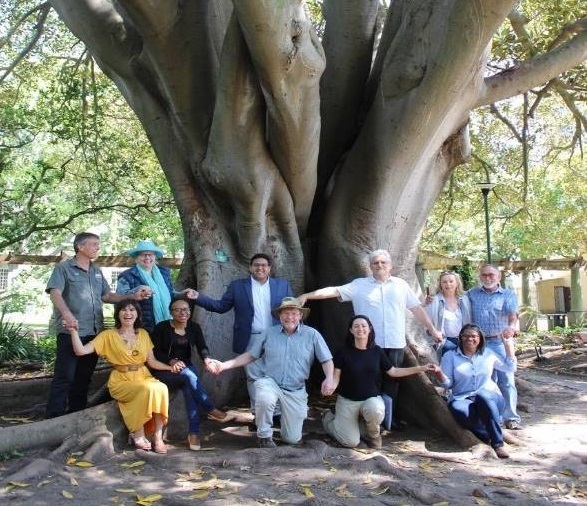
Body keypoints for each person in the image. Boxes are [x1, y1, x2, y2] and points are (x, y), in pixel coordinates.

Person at [297, 249, 442, 423]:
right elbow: (334, 291)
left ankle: (387, 421)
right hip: (369, 345)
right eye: (376, 263)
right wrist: (308, 295)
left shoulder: (401, 285)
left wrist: (432, 330)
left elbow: (416, 309)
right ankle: (367, 419)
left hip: (394, 342)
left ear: (390, 265)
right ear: (370, 266)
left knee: (392, 382)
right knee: (369, 380)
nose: (380, 265)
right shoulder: (359, 285)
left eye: (383, 262)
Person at [207, 297, 335, 448]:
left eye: (294, 313)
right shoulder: (269, 333)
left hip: (296, 389)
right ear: (280, 316)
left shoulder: (312, 334)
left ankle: (314, 421)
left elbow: (326, 360)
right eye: (286, 313)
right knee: (264, 396)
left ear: (300, 316)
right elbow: (250, 355)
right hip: (270, 382)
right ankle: (264, 435)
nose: (290, 317)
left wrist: (329, 378)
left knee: (292, 439)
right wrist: (223, 366)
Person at [45, 232, 148, 419]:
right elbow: (55, 293)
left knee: (84, 378)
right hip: (71, 332)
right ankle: (53, 418)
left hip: (94, 333)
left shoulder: (97, 271)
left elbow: (107, 296)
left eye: (98, 245)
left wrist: (131, 296)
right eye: (93, 244)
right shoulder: (64, 268)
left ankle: (76, 415)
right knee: (64, 377)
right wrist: (66, 314)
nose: (97, 248)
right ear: (80, 247)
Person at [193, 253, 293, 415]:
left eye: (263, 265)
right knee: (254, 378)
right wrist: (198, 297)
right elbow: (221, 306)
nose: (260, 268)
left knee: (277, 375)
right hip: (250, 338)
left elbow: (291, 313)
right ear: (250, 268)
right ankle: (258, 414)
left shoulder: (282, 286)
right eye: (256, 265)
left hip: (277, 336)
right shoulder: (238, 286)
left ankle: (277, 413)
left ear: (269, 268)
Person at [68, 299, 173, 453]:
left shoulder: (143, 334)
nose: (128, 313)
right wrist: (73, 331)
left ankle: (158, 438)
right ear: (118, 314)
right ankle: (138, 432)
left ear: (137, 314)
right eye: (123, 310)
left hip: (143, 376)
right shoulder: (108, 335)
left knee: (161, 388)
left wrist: (171, 368)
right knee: (148, 389)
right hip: (121, 380)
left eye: (132, 310)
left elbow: (152, 362)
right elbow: (81, 351)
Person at [322, 315, 440, 449]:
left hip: (371, 399)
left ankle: (373, 435)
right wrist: (330, 386)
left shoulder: (377, 351)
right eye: (356, 326)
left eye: (363, 326)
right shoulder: (343, 352)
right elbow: (336, 377)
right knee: (350, 442)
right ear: (351, 330)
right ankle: (328, 418)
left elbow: (393, 371)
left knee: (376, 410)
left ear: (370, 329)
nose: (360, 329)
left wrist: (422, 368)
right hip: (347, 400)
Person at [150, 298, 229, 451]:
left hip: (185, 368)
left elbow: (202, 347)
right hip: (163, 369)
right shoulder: (162, 328)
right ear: (171, 312)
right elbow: (155, 352)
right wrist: (171, 361)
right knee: (189, 376)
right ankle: (209, 408)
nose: (183, 313)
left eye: (186, 309)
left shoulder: (194, 327)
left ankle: (193, 433)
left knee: (188, 385)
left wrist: (207, 359)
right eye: (178, 310)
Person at [434, 324, 517, 459]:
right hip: (463, 398)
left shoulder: (488, 354)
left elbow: (509, 368)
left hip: (490, 397)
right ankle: (486, 435)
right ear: (460, 338)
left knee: (482, 396)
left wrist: (508, 346)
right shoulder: (450, 356)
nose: (469, 339)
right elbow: (448, 384)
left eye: (473, 336)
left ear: (480, 339)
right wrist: (439, 373)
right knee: (457, 409)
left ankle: (498, 443)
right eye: (465, 336)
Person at [467, 263, 521, 430]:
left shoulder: (508, 294)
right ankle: (492, 417)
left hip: (500, 343)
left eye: (491, 275)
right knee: (486, 382)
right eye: (484, 275)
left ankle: (511, 418)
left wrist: (511, 327)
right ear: (480, 277)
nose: (487, 278)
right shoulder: (471, 294)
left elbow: (512, 315)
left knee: (507, 381)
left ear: (499, 277)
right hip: (480, 344)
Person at [116, 239, 197, 333]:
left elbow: (170, 293)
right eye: (143, 254)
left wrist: (182, 294)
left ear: (155, 257)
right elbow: (120, 299)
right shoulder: (127, 276)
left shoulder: (164, 273)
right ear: (137, 258)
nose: (147, 257)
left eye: (150, 254)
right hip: (141, 325)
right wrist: (136, 292)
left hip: (168, 323)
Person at [424, 271, 472, 358]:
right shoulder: (434, 300)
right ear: (440, 284)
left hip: (464, 341)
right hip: (445, 343)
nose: (448, 284)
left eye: (451, 281)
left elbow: (469, 320)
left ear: (457, 283)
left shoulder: (464, 299)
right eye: (444, 282)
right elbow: (427, 323)